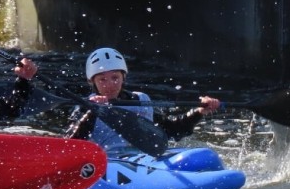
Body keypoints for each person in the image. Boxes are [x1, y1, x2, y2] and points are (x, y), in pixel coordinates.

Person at [66, 47, 221, 155]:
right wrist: (92, 111)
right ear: (93, 82)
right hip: (107, 163)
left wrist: (200, 112)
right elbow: (69, 145)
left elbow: (172, 130)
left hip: (143, 160)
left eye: (115, 77)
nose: (110, 85)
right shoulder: (84, 106)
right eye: (102, 79)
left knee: (204, 156)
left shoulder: (140, 100)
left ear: (123, 77)